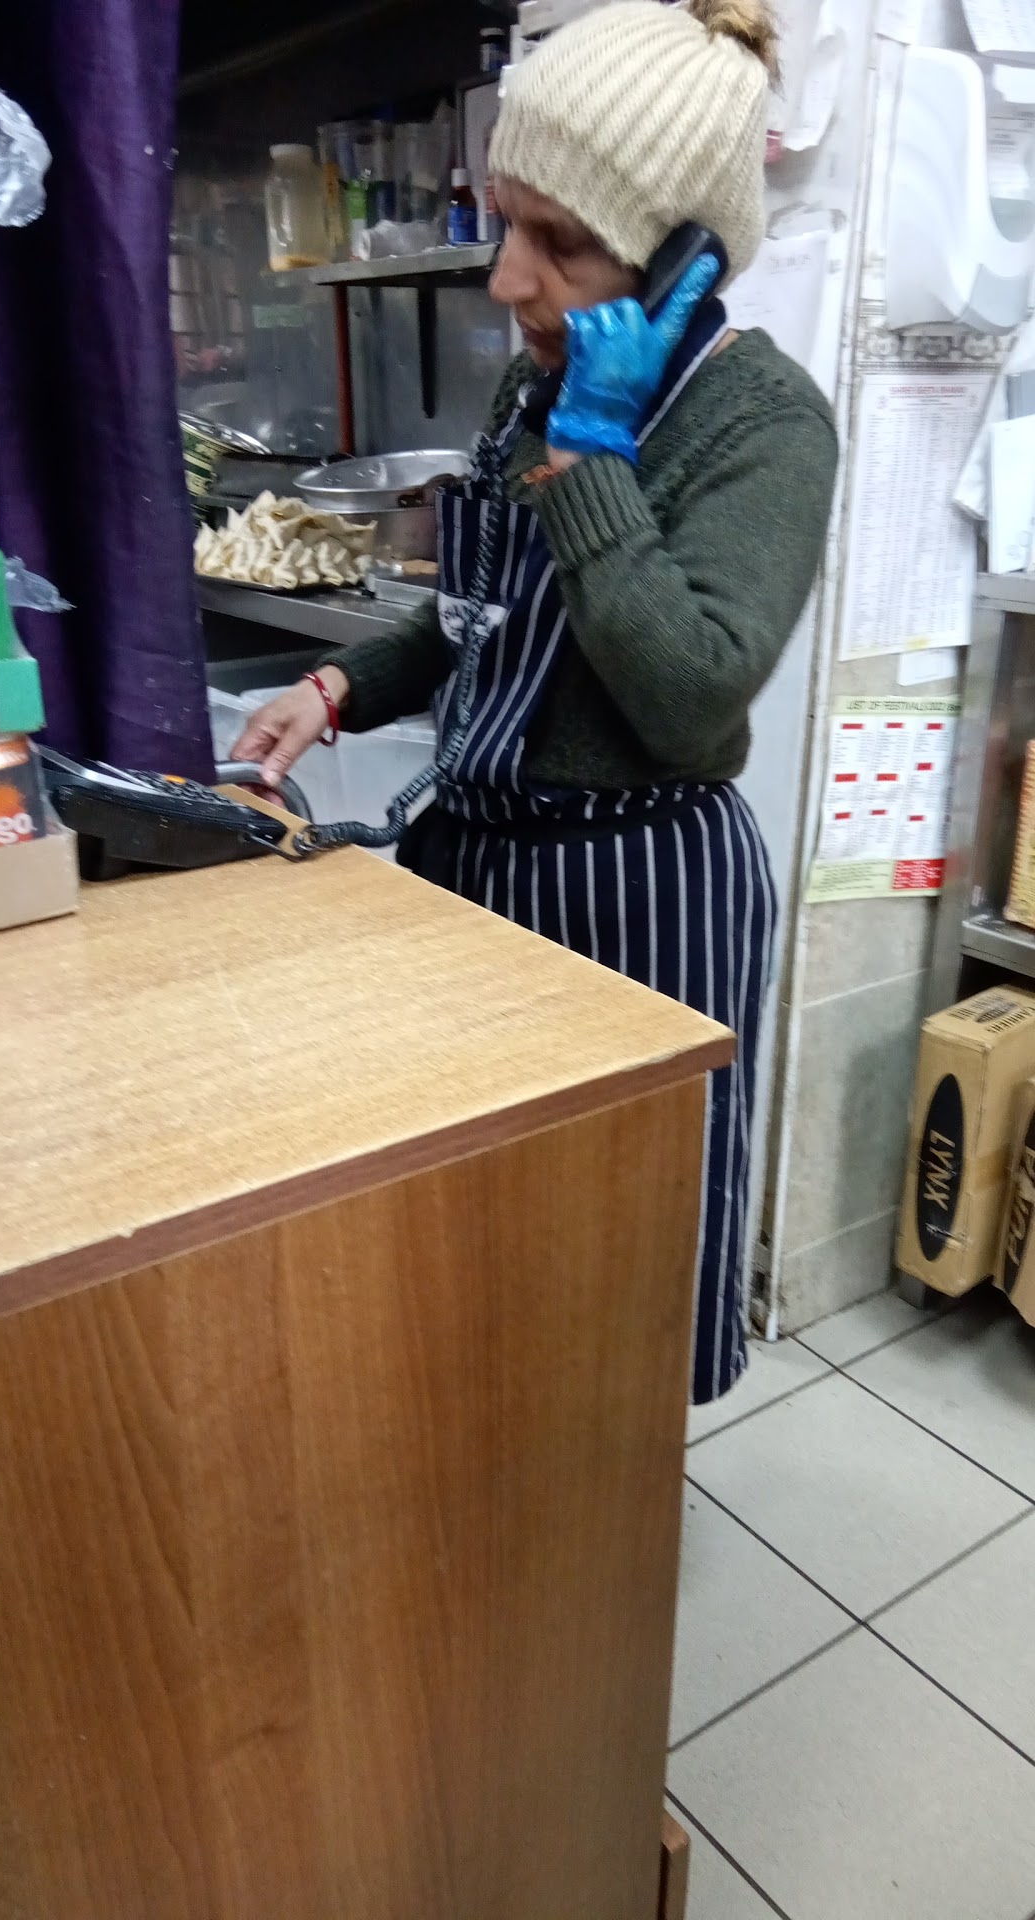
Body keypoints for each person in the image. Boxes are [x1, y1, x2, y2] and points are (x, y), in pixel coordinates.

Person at [234, 0, 838, 1406]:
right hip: (482, 869)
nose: (511, 278)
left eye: (560, 241)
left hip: (637, 893)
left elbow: (690, 697)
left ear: (682, 260)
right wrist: (338, 684)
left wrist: (596, 466)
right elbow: (482, 611)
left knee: (614, 1270)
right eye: (508, 221)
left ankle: (603, 1497)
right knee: (484, 1249)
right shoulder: (538, 381)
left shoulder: (766, 425)